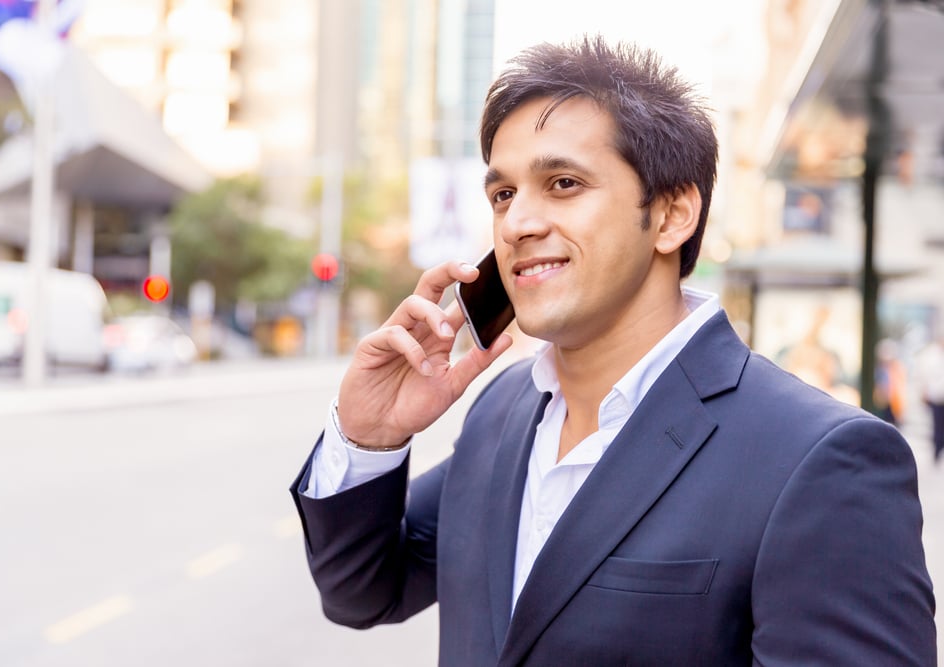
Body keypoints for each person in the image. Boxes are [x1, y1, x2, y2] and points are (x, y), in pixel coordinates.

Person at [290, 36, 936, 665]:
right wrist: (368, 438)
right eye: (503, 194)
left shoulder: (822, 460)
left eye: (564, 183)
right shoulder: (503, 411)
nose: (517, 223)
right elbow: (362, 593)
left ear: (673, 214)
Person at [916, 335, 944, 461]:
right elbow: (924, 375)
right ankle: (937, 449)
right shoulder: (931, 356)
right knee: (937, 424)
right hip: (936, 396)